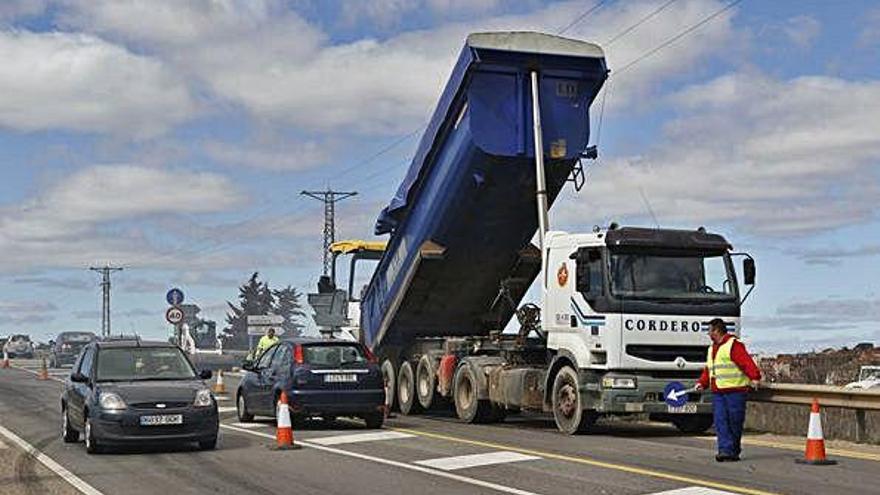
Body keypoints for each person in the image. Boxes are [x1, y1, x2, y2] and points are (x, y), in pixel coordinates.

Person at [695, 318, 761, 462]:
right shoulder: (712, 349)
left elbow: (746, 362)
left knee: (734, 422)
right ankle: (725, 450)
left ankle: (733, 450)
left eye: (710, 331)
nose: (708, 334)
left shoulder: (733, 345)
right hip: (718, 392)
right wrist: (702, 383)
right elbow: (709, 369)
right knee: (720, 421)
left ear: (717, 330)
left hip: (735, 391)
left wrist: (754, 377)